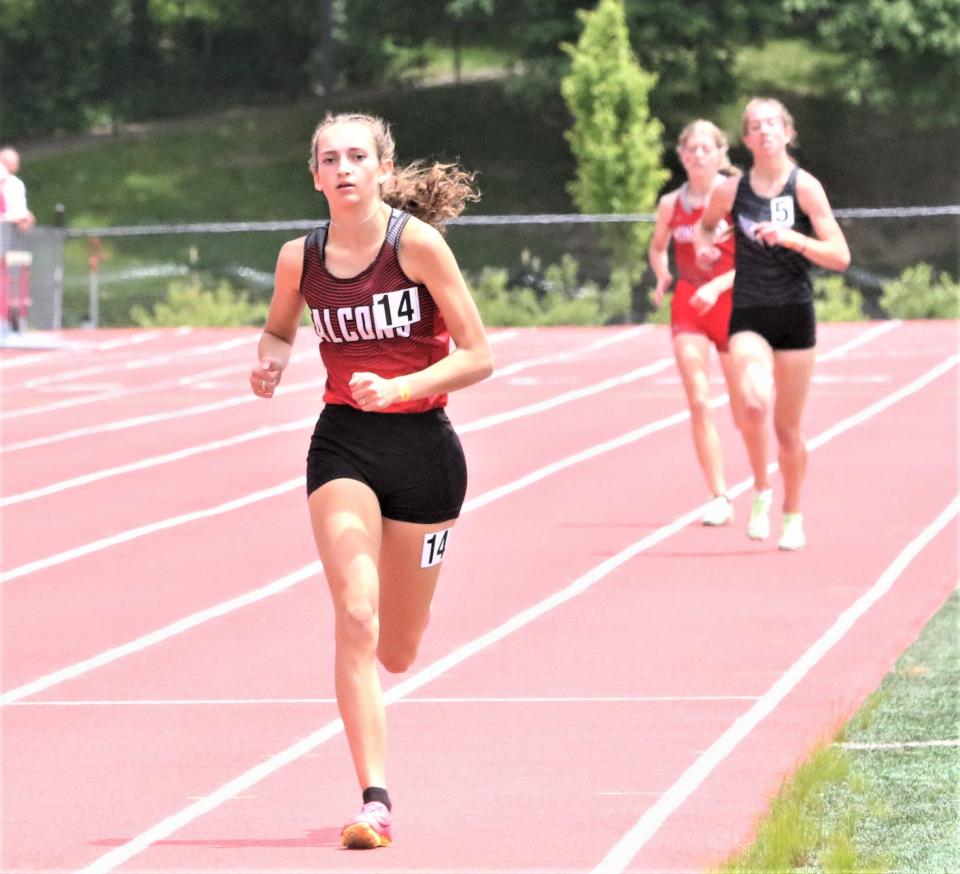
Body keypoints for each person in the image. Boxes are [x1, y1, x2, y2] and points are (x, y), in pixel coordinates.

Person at [249, 112, 493, 849]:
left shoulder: (416, 244)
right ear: (315, 176)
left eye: (359, 155)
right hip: (344, 445)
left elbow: (479, 355)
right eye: (332, 158)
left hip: (425, 454)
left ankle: (394, 646)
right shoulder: (301, 257)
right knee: (356, 614)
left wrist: (404, 386)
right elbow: (280, 329)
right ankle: (375, 802)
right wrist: (270, 359)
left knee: (397, 649)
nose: (345, 167)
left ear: (383, 170)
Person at [695, 97, 850, 550]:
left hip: (795, 316)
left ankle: (792, 510)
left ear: (787, 132)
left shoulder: (805, 187)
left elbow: (840, 256)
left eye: (772, 123)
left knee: (788, 430)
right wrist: (706, 248)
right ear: (745, 139)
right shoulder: (731, 190)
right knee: (755, 401)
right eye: (755, 125)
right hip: (749, 313)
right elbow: (706, 227)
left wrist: (793, 238)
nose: (764, 131)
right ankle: (761, 488)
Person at [648, 119, 740, 526]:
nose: (698, 154)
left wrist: (719, 286)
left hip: (736, 303)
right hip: (689, 304)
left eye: (706, 148)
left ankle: (759, 477)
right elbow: (657, 247)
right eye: (691, 149)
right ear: (682, 155)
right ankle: (719, 494)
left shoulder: (738, 195)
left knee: (746, 406)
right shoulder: (672, 204)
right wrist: (662, 273)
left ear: (721, 152)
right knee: (699, 400)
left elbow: (757, 257)